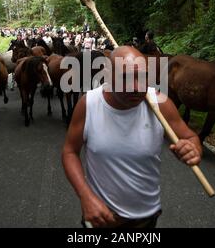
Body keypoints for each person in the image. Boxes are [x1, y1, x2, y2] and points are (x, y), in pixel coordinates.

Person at [62, 46, 202, 228]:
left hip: (146, 217)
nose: (137, 87)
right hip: (100, 217)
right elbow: (70, 152)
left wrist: (193, 149)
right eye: (126, 78)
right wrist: (85, 195)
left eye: (143, 77)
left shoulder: (161, 104)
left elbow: (191, 138)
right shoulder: (88, 104)